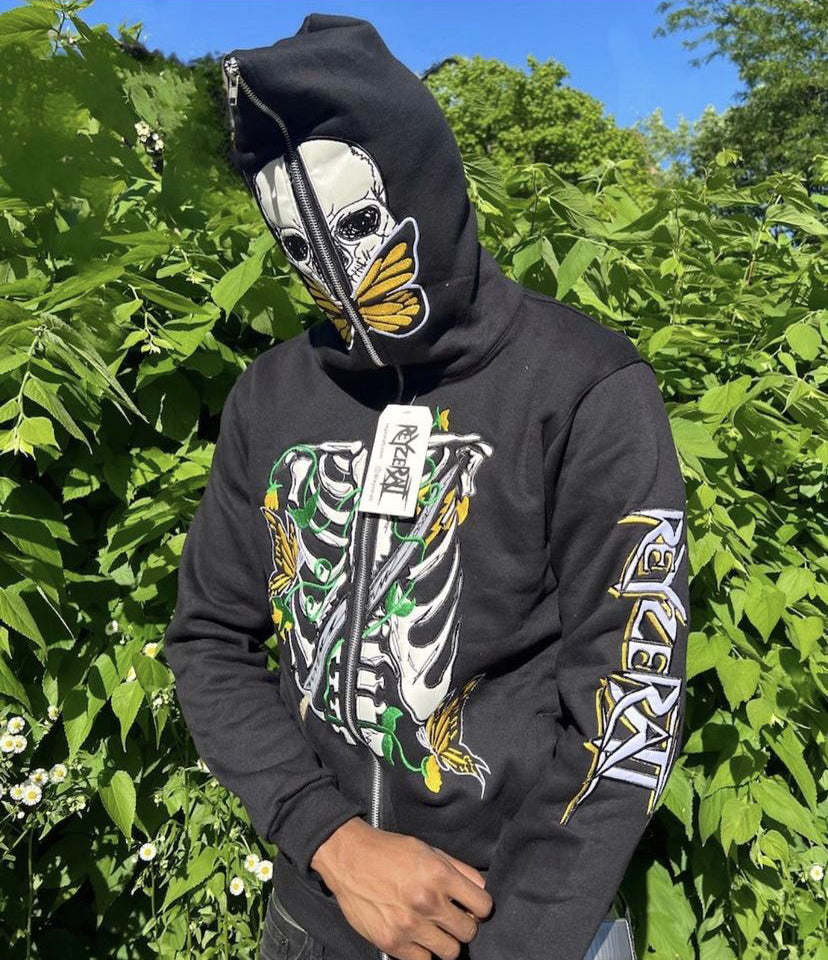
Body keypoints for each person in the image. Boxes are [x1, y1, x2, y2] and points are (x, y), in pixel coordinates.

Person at [163, 13, 690, 960]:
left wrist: (520, 935)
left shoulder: (582, 387)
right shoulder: (270, 398)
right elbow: (208, 639)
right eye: (299, 248)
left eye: (359, 226)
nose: (339, 274)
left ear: (426, 185)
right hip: (313, 915)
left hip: (513, 923)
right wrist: (328, 838)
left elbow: (629, 699)